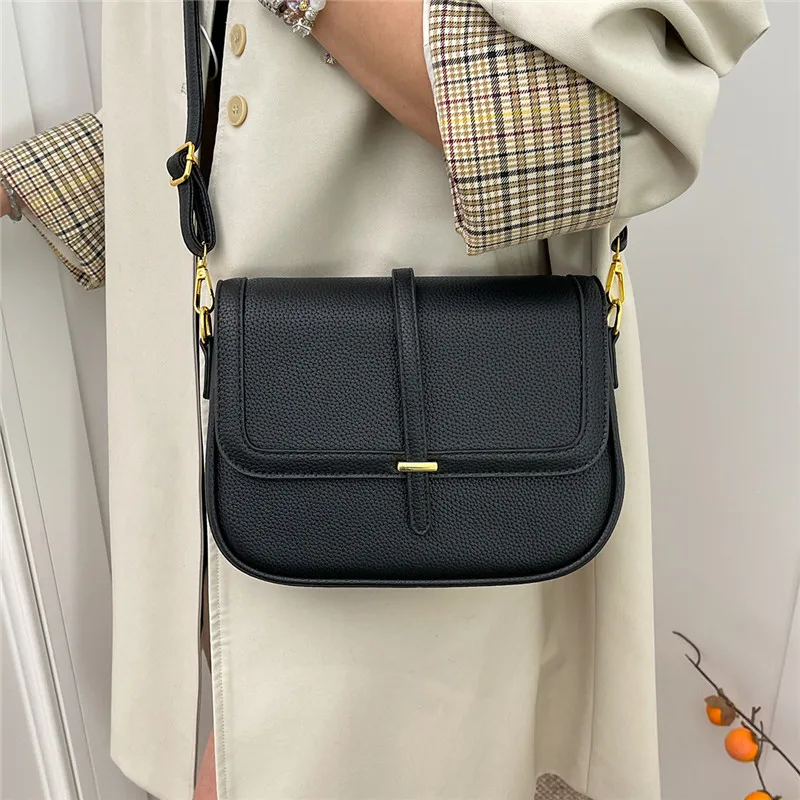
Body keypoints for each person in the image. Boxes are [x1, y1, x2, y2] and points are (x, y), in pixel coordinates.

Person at [0, 2, 769, 799]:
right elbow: (249, 75)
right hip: (247, 452)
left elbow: (612, 123)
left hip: (448, 467)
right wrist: (56, 175)